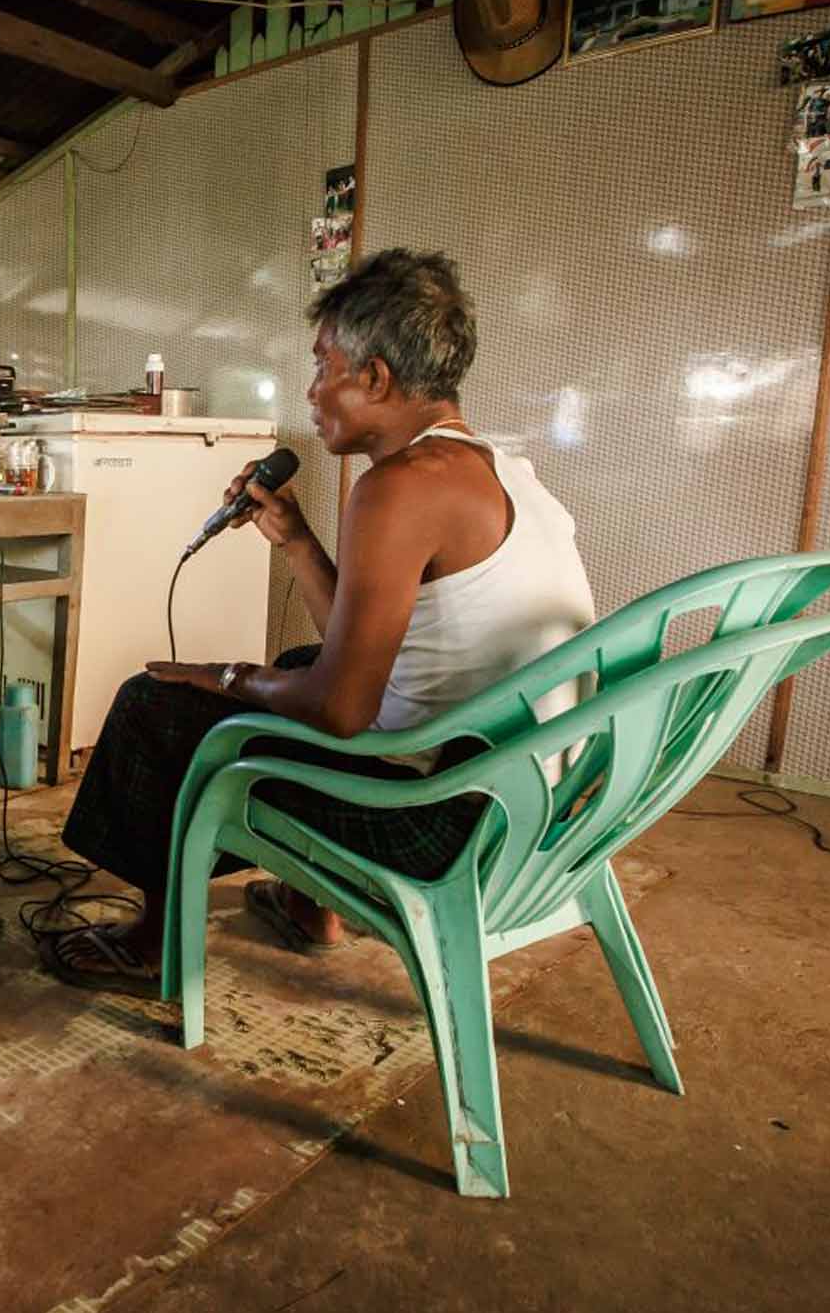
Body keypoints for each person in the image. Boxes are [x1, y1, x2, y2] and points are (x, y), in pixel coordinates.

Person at [42, 250, 595, 992]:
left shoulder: (398, 487)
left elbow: (339, 710)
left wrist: (228, 678)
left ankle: (154, 942)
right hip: (529, 804)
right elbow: (359, 654)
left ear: (375, 377)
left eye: (322, 365)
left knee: (157, 707)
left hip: (438, 825)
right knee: (304, 658)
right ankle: (312, 908)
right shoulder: (497, 470)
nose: (310, 392)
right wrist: (297, 541)